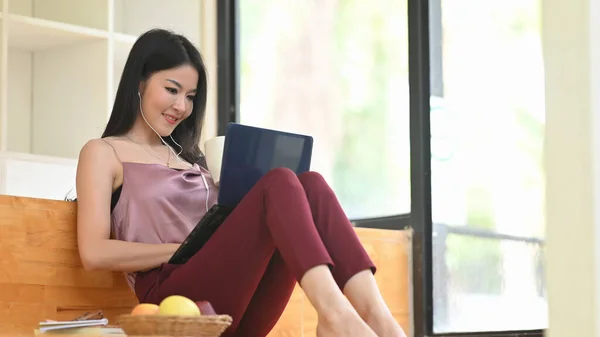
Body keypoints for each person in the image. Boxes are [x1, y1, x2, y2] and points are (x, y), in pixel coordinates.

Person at [75, 28, 406, 337]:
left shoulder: (195, 161)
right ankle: (335, 316)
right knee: (279, 181)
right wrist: (183, 251)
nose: (182, 106)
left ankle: (377, 316)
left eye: (190, 96)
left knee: (312, 184)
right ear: (140, 82)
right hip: (172, 299)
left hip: (237, 305)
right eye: (172, 90)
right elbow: (93, 252)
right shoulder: (103, 153)